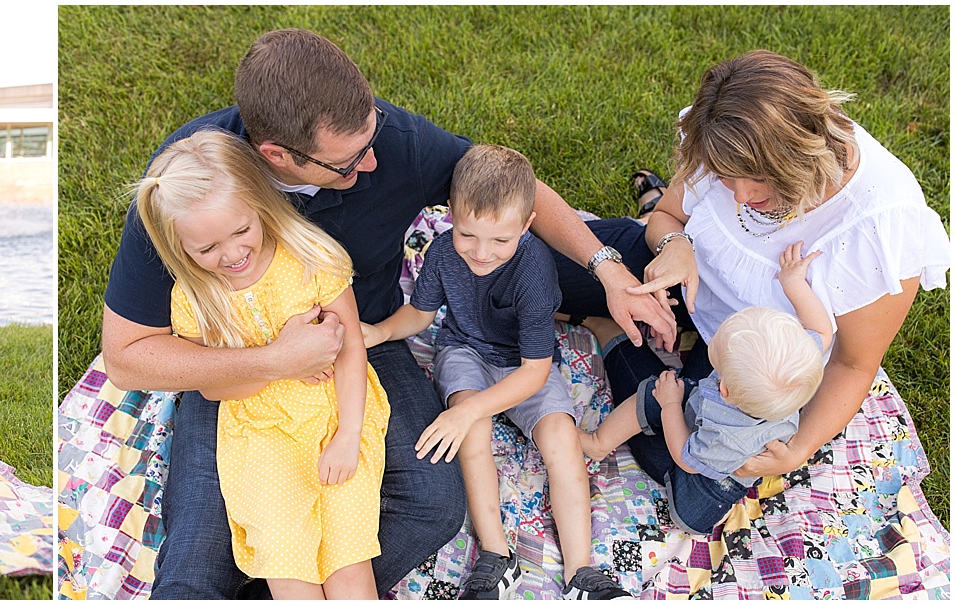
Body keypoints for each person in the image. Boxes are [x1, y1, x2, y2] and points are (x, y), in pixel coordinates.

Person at [98, 29, 677, 598]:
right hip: (241, 378)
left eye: (372, 137)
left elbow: (512, 188)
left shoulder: (385, 140)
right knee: (196, 563)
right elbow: (127, 357)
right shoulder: (194, 186)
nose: (374, 163)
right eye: (348, 163)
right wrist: (274, 359)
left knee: (433, 505)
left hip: (366, 342)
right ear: (275, 157)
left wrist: (608, 270)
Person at [562, 50, 948, 487]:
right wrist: (674, 243)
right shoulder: (726, 137)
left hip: (751, 362)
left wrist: (798, 449)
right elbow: (670, 217)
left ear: (798, 156)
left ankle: (608, 331)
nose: (741, 196)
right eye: (727, 179)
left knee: (682, 472)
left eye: (757, 180)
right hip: (680, 282)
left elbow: (854, 364)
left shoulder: (880, 221)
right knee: (537, 266)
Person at [362, 145, 630, 600]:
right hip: (464, 349)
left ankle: (581, 571)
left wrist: (465, 413)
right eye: (468, 234)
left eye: (500, 241)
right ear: (449, 215)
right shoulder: (445, 250)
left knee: (562, 440)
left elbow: (533, 372)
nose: (481, 254)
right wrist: (379, 331)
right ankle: (495, 555)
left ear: (527, 226)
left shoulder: (534, 268)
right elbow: (420, 314)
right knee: (471, 430)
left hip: (525, 364)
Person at [133, 129, 389, 599]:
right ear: (179, 248)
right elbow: (213, 387)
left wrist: (349, 435)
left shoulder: (313, 260)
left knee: (350, 566)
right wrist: (280, 365)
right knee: (290, 568)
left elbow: (351, 347)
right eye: (207, 249)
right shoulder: (195, 298)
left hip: (336, 417)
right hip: (260, 437)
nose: (231, 255)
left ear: (261, 205)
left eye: (241, 231)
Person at [581, 243, 832, 535]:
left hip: (691, 487)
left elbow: (687, 458)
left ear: (723, 390)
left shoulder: (724, 431)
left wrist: (671, 406)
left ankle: (598, 443)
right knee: (671, 394)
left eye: (718, 342)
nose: (715, 333)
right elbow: (823, 331)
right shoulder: (797, 361)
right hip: (721, 455)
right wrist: (793, 283)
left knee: (655, 394)